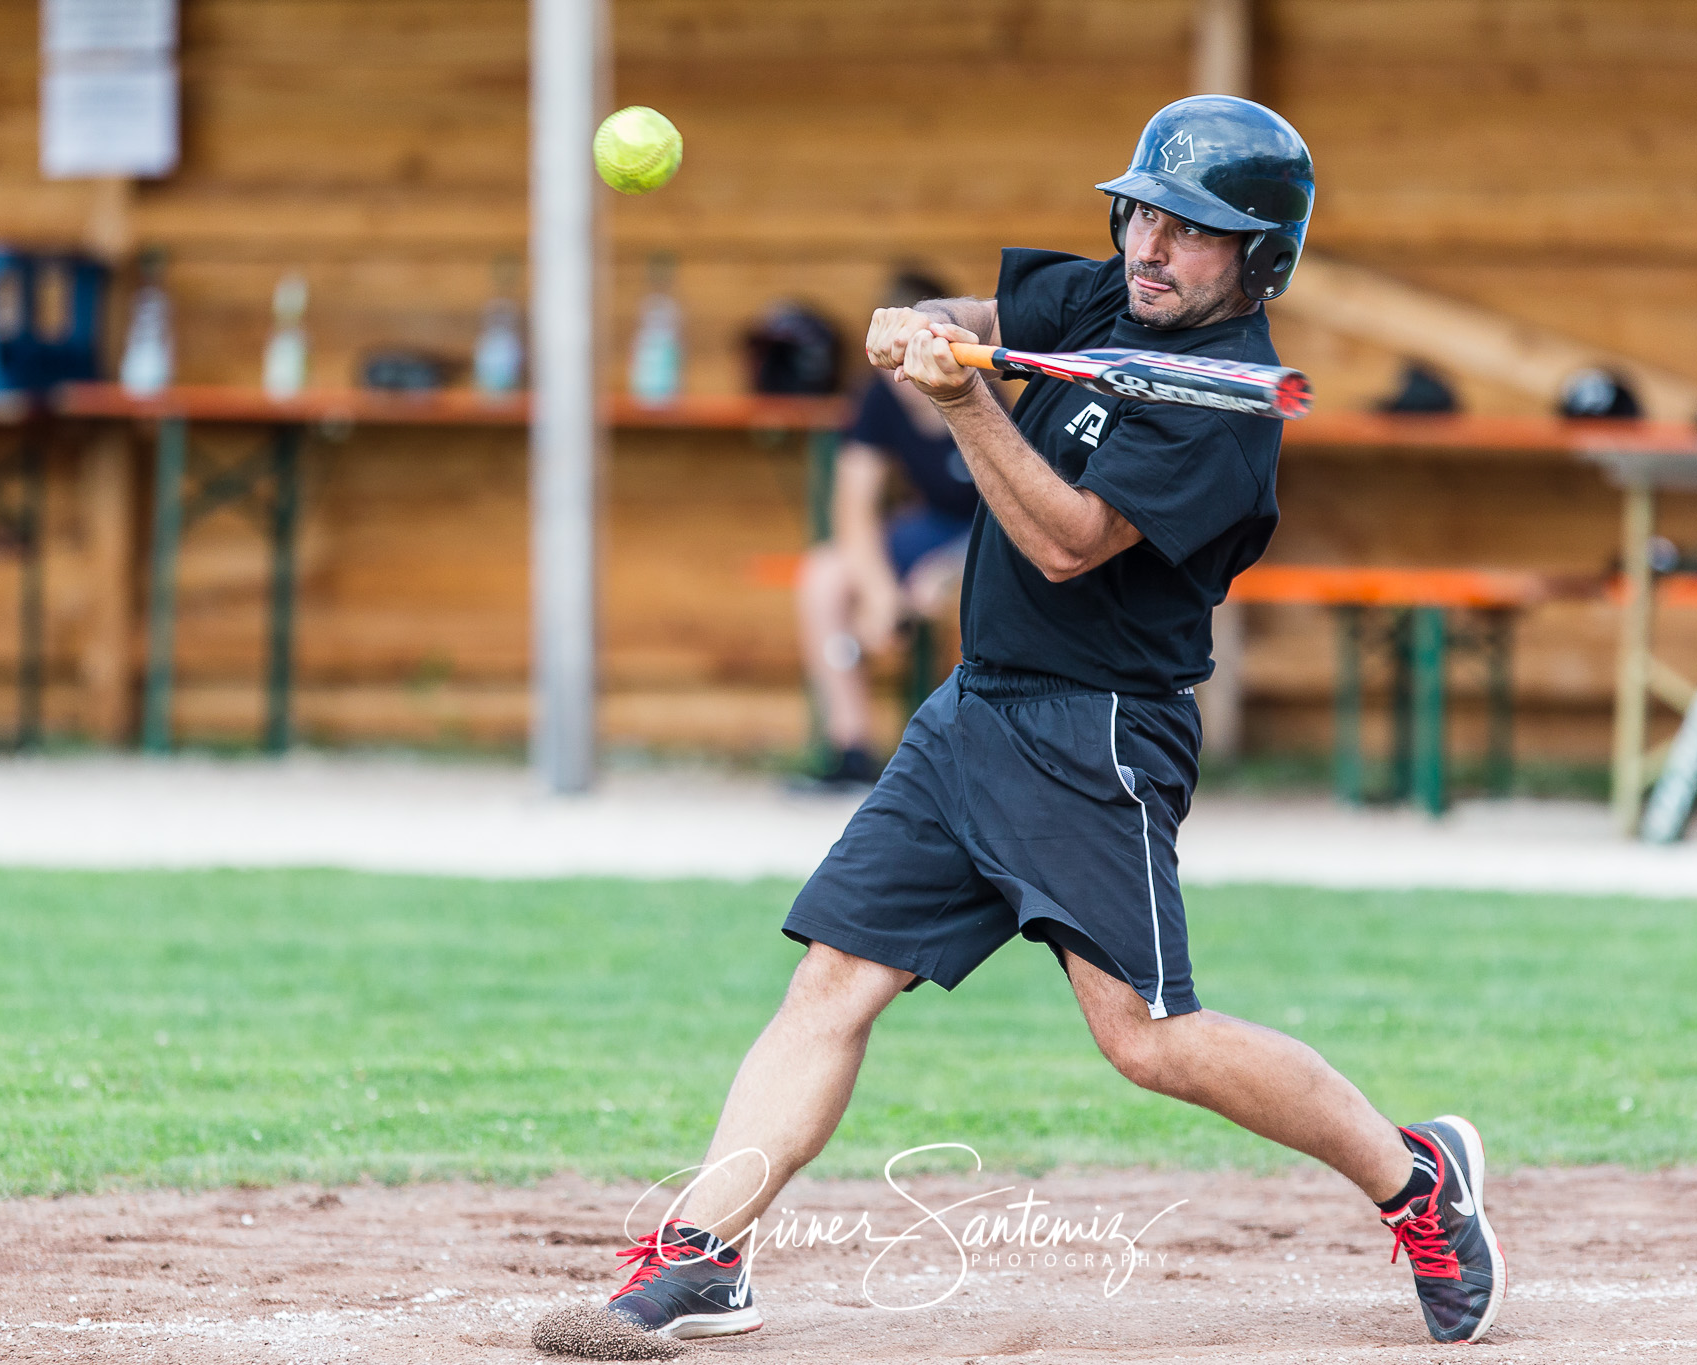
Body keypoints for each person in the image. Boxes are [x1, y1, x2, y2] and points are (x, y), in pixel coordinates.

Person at [567, 96, 1504, 1351]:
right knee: (831, 980)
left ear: (1259, 258)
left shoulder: (1225, 405)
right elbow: (978, 322)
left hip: (1095, 736)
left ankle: (1414, 1179)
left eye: (1192, 233)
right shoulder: (1103, 301)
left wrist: (964, 406)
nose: (1150, 249)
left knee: (1149, 1040)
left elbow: (1067, 542)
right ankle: (705, 1252)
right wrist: (927, 332)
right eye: (1143, 216)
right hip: (972, 710)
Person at [797, 272, 982, 787]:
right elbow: (853, 508)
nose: (894, 370)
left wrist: (948, 571)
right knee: (824, 575)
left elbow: (1010, 514)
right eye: (884, 354)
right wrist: (881, 597)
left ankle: (969, 760)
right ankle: (850, 749)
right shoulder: (877, 397)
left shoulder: (979, 387)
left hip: (986, 535)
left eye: (904, 350)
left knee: (977, 594)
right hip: (928, 528)